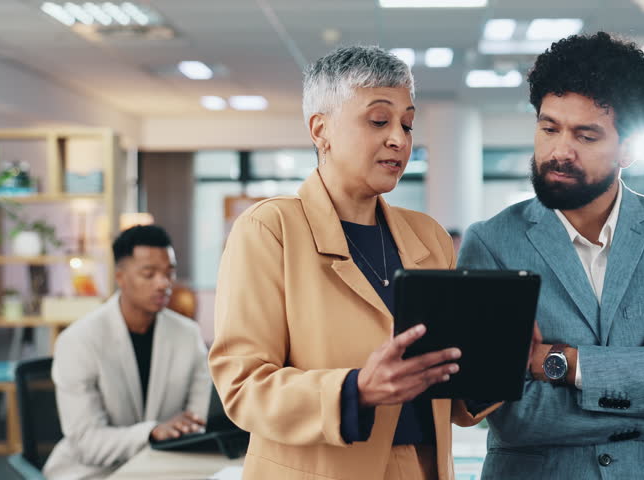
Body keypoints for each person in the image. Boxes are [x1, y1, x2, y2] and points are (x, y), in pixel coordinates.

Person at [457, 32, 644, 479]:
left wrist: (561, 363)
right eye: (549, 127)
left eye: (586, 135)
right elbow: (514, 416)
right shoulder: (491, 244)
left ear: (630, 148)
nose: (559, 151)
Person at [208, 45, 501, 480]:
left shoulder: (429, 236)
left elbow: (450, 396)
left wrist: (499, 360)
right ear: (320, 129)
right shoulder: (271, 229)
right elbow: (243, 387)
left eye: (407, 123)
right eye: (379, 120)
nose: (399, 139)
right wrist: (355, 391)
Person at [44, 225, 211, 479]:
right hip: (93, 472)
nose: (163, 284)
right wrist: (152, 432)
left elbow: (199, 419)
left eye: (169, 273)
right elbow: (87, 443)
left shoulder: (188, 335)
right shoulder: (78, 341)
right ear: (120, 277)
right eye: (149, 274)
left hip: (164, 467)